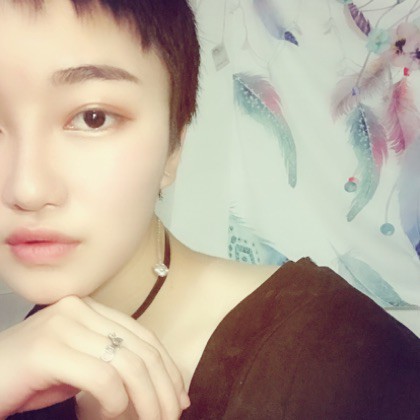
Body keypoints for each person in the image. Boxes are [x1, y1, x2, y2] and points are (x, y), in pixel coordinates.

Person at [0, 1, 418, 419]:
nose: (27, 189)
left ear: (175, 145)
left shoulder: (347, 361)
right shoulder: (24, 353)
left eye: (93, 118)